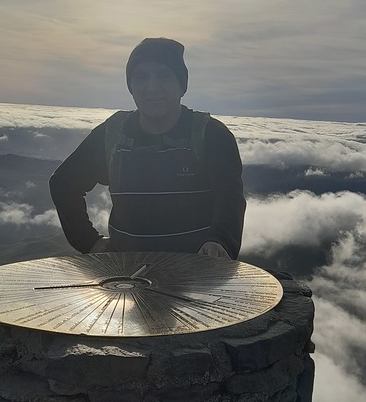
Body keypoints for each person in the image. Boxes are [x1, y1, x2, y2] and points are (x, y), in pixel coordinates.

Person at [50, 38, 245, 259]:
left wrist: (219, 241)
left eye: (163, 76)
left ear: (182, 85)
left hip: (197, 278)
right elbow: (64, 183)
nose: (152, 87)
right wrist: (89, 241)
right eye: (141, 77)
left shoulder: (211, 136)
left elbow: (230, 197)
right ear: (131, 87)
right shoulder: (112, 134)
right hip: (126, 278)